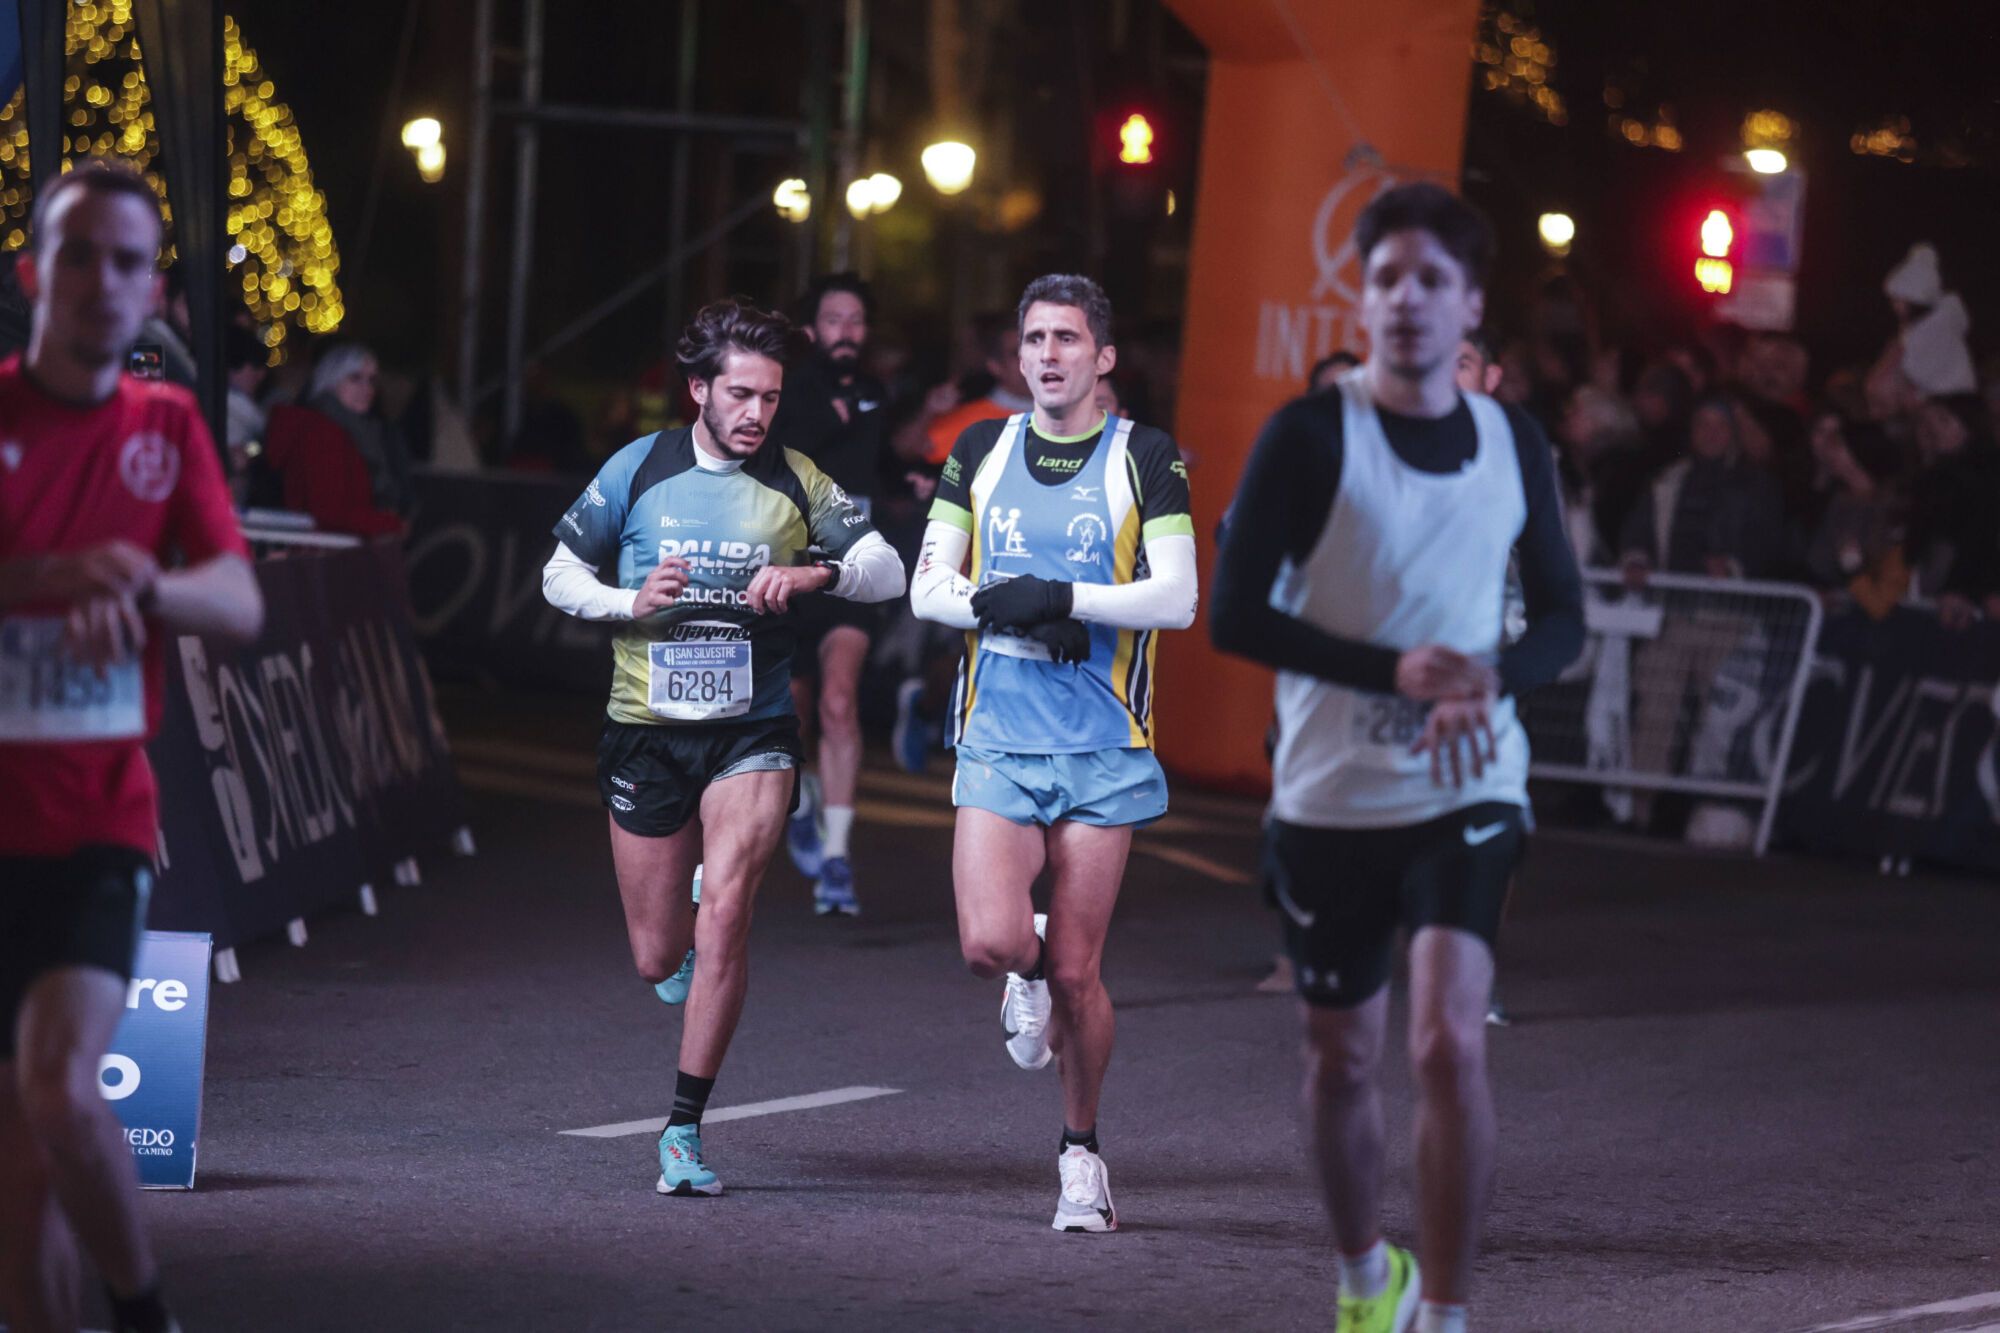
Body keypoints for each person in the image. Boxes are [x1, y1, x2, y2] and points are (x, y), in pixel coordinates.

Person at [1210, 182, 1583, 1333]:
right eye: (1386, 280)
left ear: (1469, 306)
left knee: (1443, 1037)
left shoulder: (1512, 440)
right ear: (1359, 297)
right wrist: (1391, 672)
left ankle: (1451, 1313)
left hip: (1467, 783)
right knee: (1339, 1058)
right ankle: (1367, 1275)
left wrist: (1488, 679)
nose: (1407, 300)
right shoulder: (1309, 434)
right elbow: (1231, 617)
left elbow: (1562, 619)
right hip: (1330, 792)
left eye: (1432, 280)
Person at [539, 298, 903, 1197]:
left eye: (771, 398)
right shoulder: (639, 466)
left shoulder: (797, 479)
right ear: (698, 389)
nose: (756, 414)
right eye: (740, 394)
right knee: (657, 956)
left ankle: (682, 1131)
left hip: (754, 727)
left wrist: (815, 571)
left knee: (729, 911)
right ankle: (685, 943)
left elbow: (887, 568)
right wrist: (631, 602)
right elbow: (557, 574)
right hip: (647, 733)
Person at [0, 159, 265, 1333]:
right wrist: (51, 580)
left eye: (128, 262)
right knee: (17, 1211)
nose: (105, 283)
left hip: (93, 820)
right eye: (79, 256)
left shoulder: (167, 424)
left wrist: (149, 588)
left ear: (151, 287)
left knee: (61, 1089)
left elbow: (241, 601)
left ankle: (145, 1312)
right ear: (32, 273)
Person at [911, 273, 1198, 1233]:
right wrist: (1005, 601)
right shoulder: (982, 449)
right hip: (997, 732)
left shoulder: (1144, 456)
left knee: (1082, 975)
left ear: (1102, 357)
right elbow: (926, 588)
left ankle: (1081, 1154)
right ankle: (1022, 974)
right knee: (992, 942)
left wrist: (1065, 599)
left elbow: (1175, 598)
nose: (1048, 354)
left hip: (1105, 742)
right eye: (1034, 337)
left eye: (1067, 339)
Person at [765, 273, 897, 915]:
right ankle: (803, 800)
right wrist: (829, 419)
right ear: (812, 330)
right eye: (833, 319)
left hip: (852, 569)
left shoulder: (877, 392)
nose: (846, 331)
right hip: (789, 570)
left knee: (841, 702)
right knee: (792, 715)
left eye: (856, 319)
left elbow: (884, 464)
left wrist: (919, 479)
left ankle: (838, 859)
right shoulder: (786, 390)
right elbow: (772, 454)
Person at [262, 343, 409, 536]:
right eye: (355, 378)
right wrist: (391, 524)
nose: (367, 388)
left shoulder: (357, 432)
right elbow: (329, 512)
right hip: (327, 553)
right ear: (331, 381)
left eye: (372, 380)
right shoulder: (322, 433)